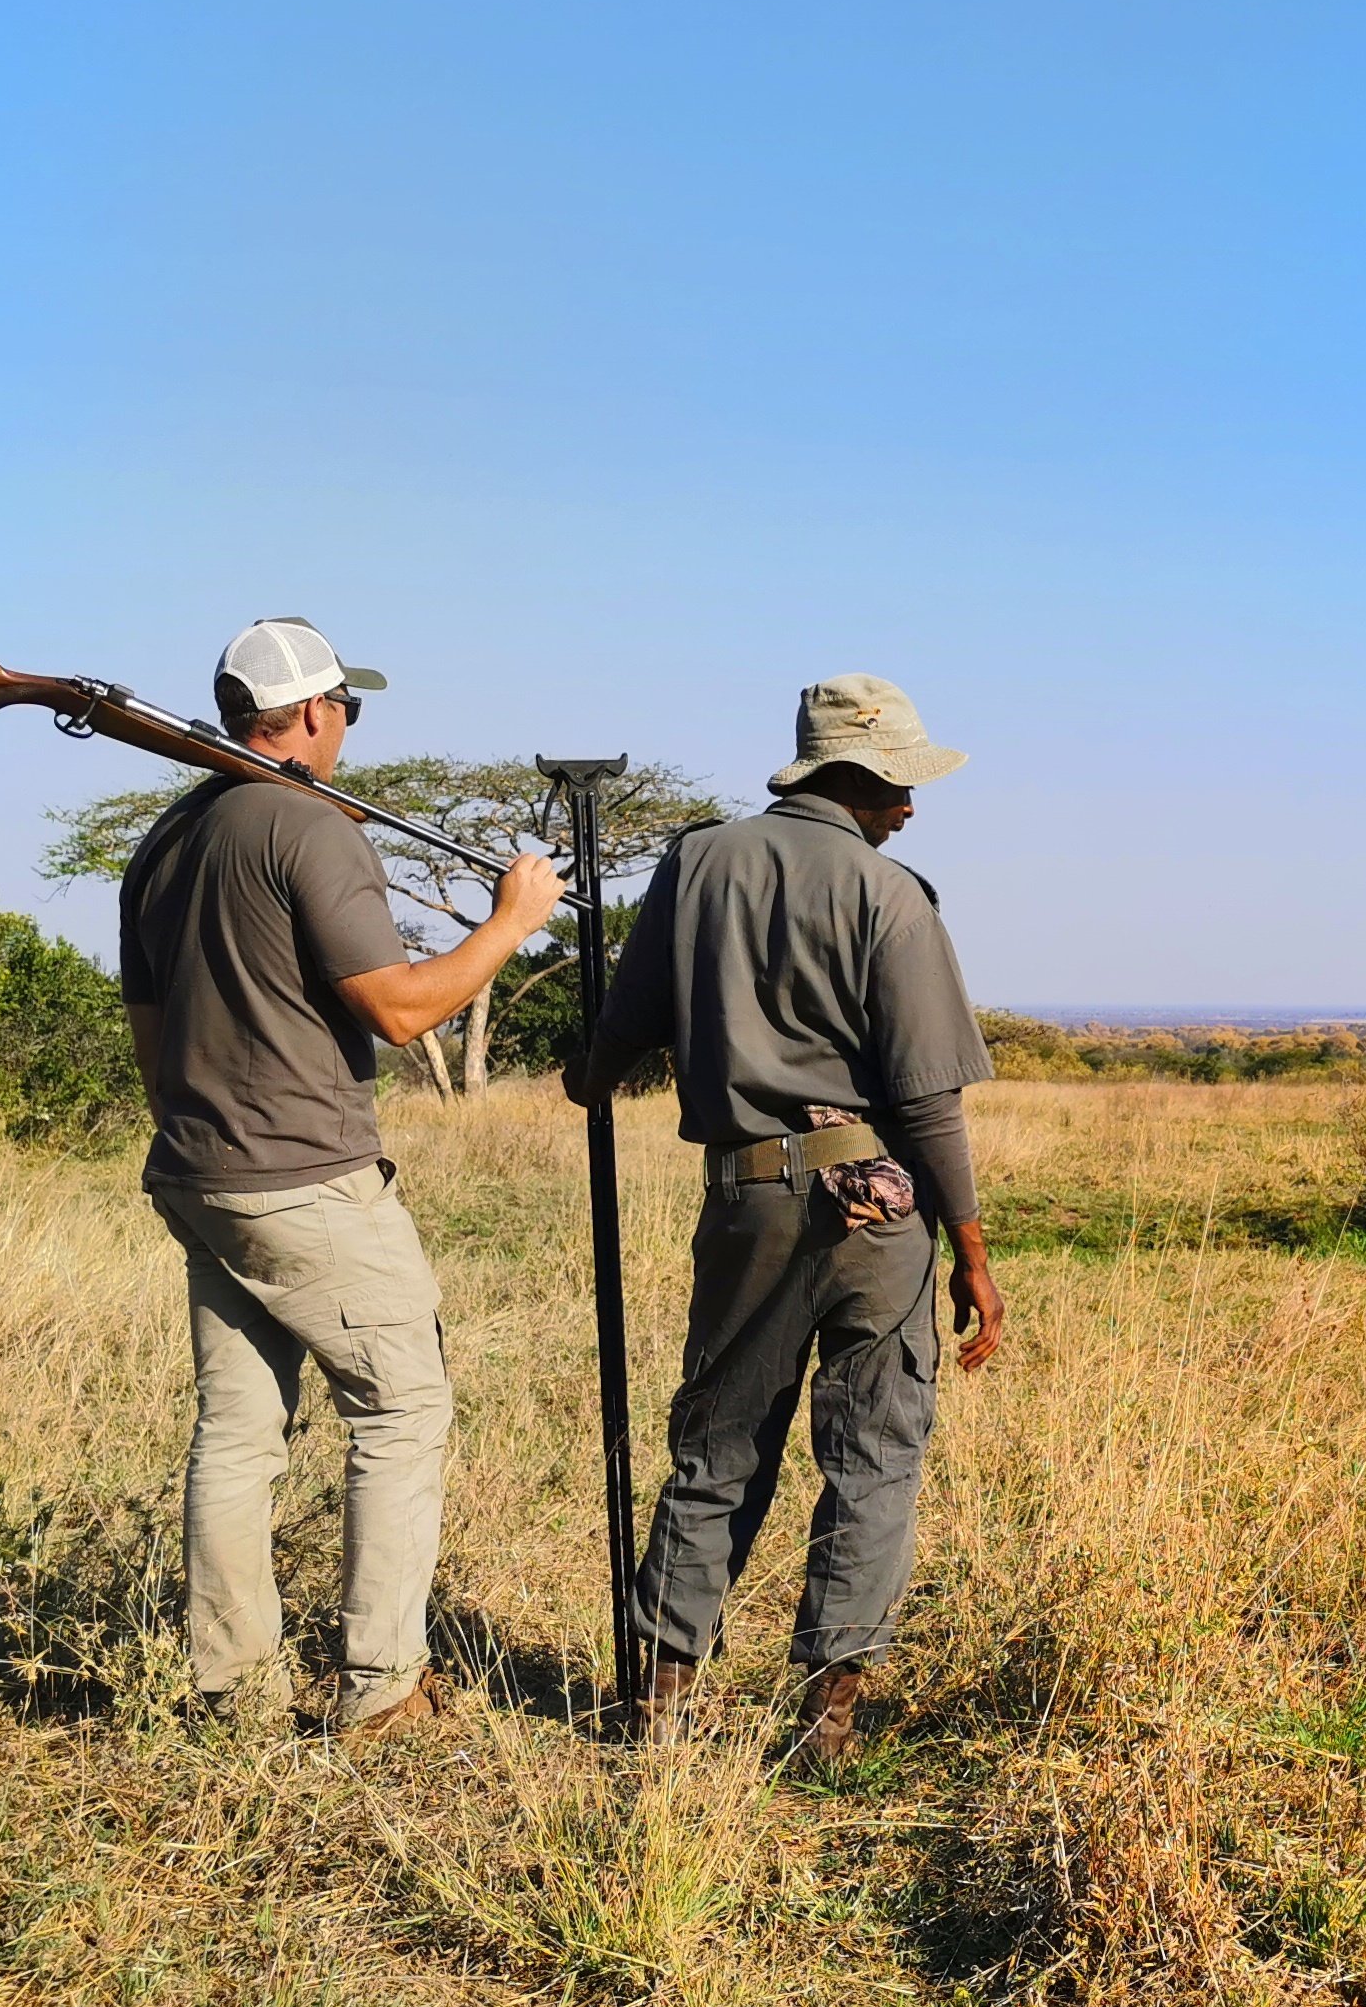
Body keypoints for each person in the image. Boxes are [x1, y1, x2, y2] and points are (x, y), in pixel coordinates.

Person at [119, 617, 564, 1738]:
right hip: (302, 1177)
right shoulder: (307, 828)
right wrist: (512, 924)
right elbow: (403, 1009)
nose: (349, 728)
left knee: (236, 1429)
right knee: (403, 1405)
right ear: (316, 713)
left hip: (197, 1171)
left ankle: (233, 1690)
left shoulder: (164, 843)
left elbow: (148, 1042)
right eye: (347, 710)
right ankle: (381, 1686)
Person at [569, 673, 1005, 1765]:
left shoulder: (697, 863)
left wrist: (590, 1071)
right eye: (899, 781)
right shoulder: (889, 894)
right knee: (874, 1456)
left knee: (716, 1449)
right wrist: (972, 1253)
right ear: (853, 775)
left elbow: (618, 1036)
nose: (909, 805)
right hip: (875, 1208)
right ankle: (829, 1721)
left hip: (745, 1197)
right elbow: (924, 1101)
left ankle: (661, 1700)